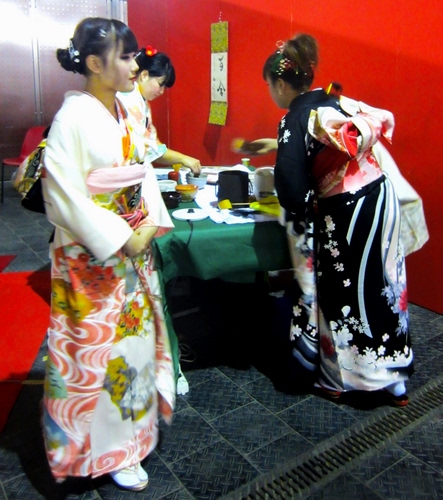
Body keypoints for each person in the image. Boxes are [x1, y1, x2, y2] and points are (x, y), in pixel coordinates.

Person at [235, 34, 413, 406]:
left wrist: (298, 209)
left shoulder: (293, 117)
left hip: (346, 210)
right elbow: (321, 148)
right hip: (381, 197)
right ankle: (395, 380)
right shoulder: (334, 101)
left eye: (269, 85)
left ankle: (342, 379)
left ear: (280, 84)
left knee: (344, 293)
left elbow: (292, 188)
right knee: (385, 285)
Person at [41, 17, 176, 491]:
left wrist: (148, 224)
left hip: (132, 248)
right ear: (96, 64)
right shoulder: (72, 119)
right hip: (93, 257)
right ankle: (101, 449)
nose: (136, 65)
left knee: (133, 346)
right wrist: (121, 236)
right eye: (126, 56)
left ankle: (133, 439)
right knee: (96, 351)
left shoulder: (126, 110)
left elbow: (142, 171)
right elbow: (61, 193)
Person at [118, 46, 201, 174]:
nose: (162, 91)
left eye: (164, 87)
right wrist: (183, 159)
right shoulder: (130, 99)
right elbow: (149, 147)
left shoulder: (142, 102)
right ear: (144, 75)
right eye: (160, 84)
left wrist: (183, 158)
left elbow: (153, 145)